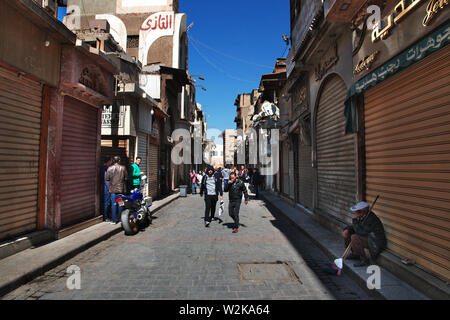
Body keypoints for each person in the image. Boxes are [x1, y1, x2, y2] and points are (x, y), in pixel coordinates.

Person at [342, 201, 387, 267]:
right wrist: (347, 230)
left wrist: (354, 220)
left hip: (375, 242)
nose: (355, 213)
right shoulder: (362, 216)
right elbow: (356, 227)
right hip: (369, 238)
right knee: (347, 233)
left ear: (362, 211)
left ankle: (364, 260)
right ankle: (355, 254)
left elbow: (361, 232)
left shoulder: (371, 219)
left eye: (357, 211)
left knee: (355, 237)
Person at [106, 156, 129, 224]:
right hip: (121, 190)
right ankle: (121, 219)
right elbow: (126, 178)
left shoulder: (110, 168)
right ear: (119, 160)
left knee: (113, 204)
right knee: (120, 204)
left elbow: (107, 178)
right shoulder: (123, 168)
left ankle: (114, 220)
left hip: (113, 190)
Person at [101, 156, 112, 222]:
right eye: (110, 160)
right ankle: (105, 217)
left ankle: (105, 216)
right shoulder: (105, 168)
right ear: (108, 161)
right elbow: (106, 180)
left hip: (103, 187)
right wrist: (109, 188)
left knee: (105, 202)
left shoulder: (102, 167)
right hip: (106, 187)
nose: (111, 162)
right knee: (107, 202)